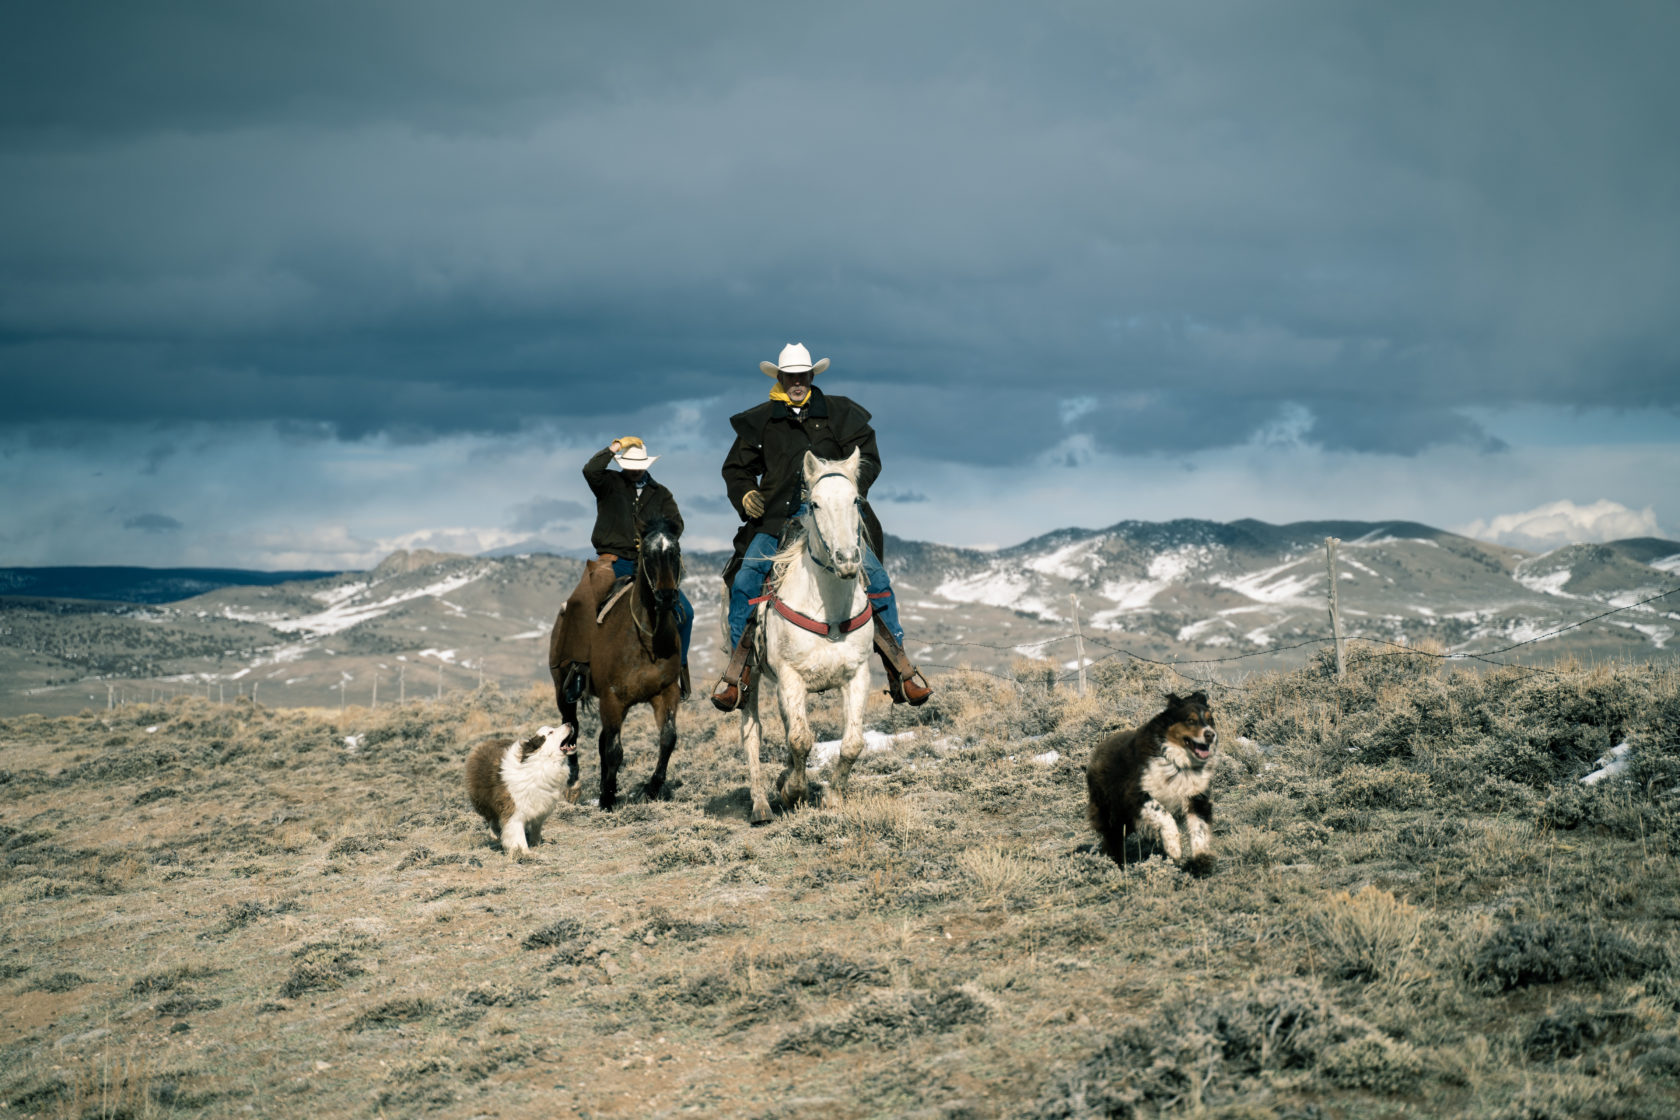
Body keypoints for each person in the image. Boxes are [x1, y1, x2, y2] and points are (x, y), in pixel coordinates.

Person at [711, 343, 932, 711]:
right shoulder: (762, 420)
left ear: (812, 377)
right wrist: (746, 492)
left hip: (833, 518)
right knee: (747, 581)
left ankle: (900, 670)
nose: (797, 382)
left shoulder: (840, 414)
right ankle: (739, 673)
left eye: (803, 375)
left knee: (877, 582)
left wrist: (844, 491)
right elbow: (736, 469)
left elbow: (869, 459)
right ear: (780, 378)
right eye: (790, 376)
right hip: (777, 519)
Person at [555, 437, 694, 700]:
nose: (635, 469)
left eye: (639, 464)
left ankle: (680, 668)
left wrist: (656, 536)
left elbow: (676, 525)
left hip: (649, 566)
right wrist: (615, 446)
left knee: (686, 612)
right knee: (582, 604)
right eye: (630, 464)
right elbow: (590, 470)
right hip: (613, 561)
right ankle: (580, 670)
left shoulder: (661, 493)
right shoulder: (607, 483)